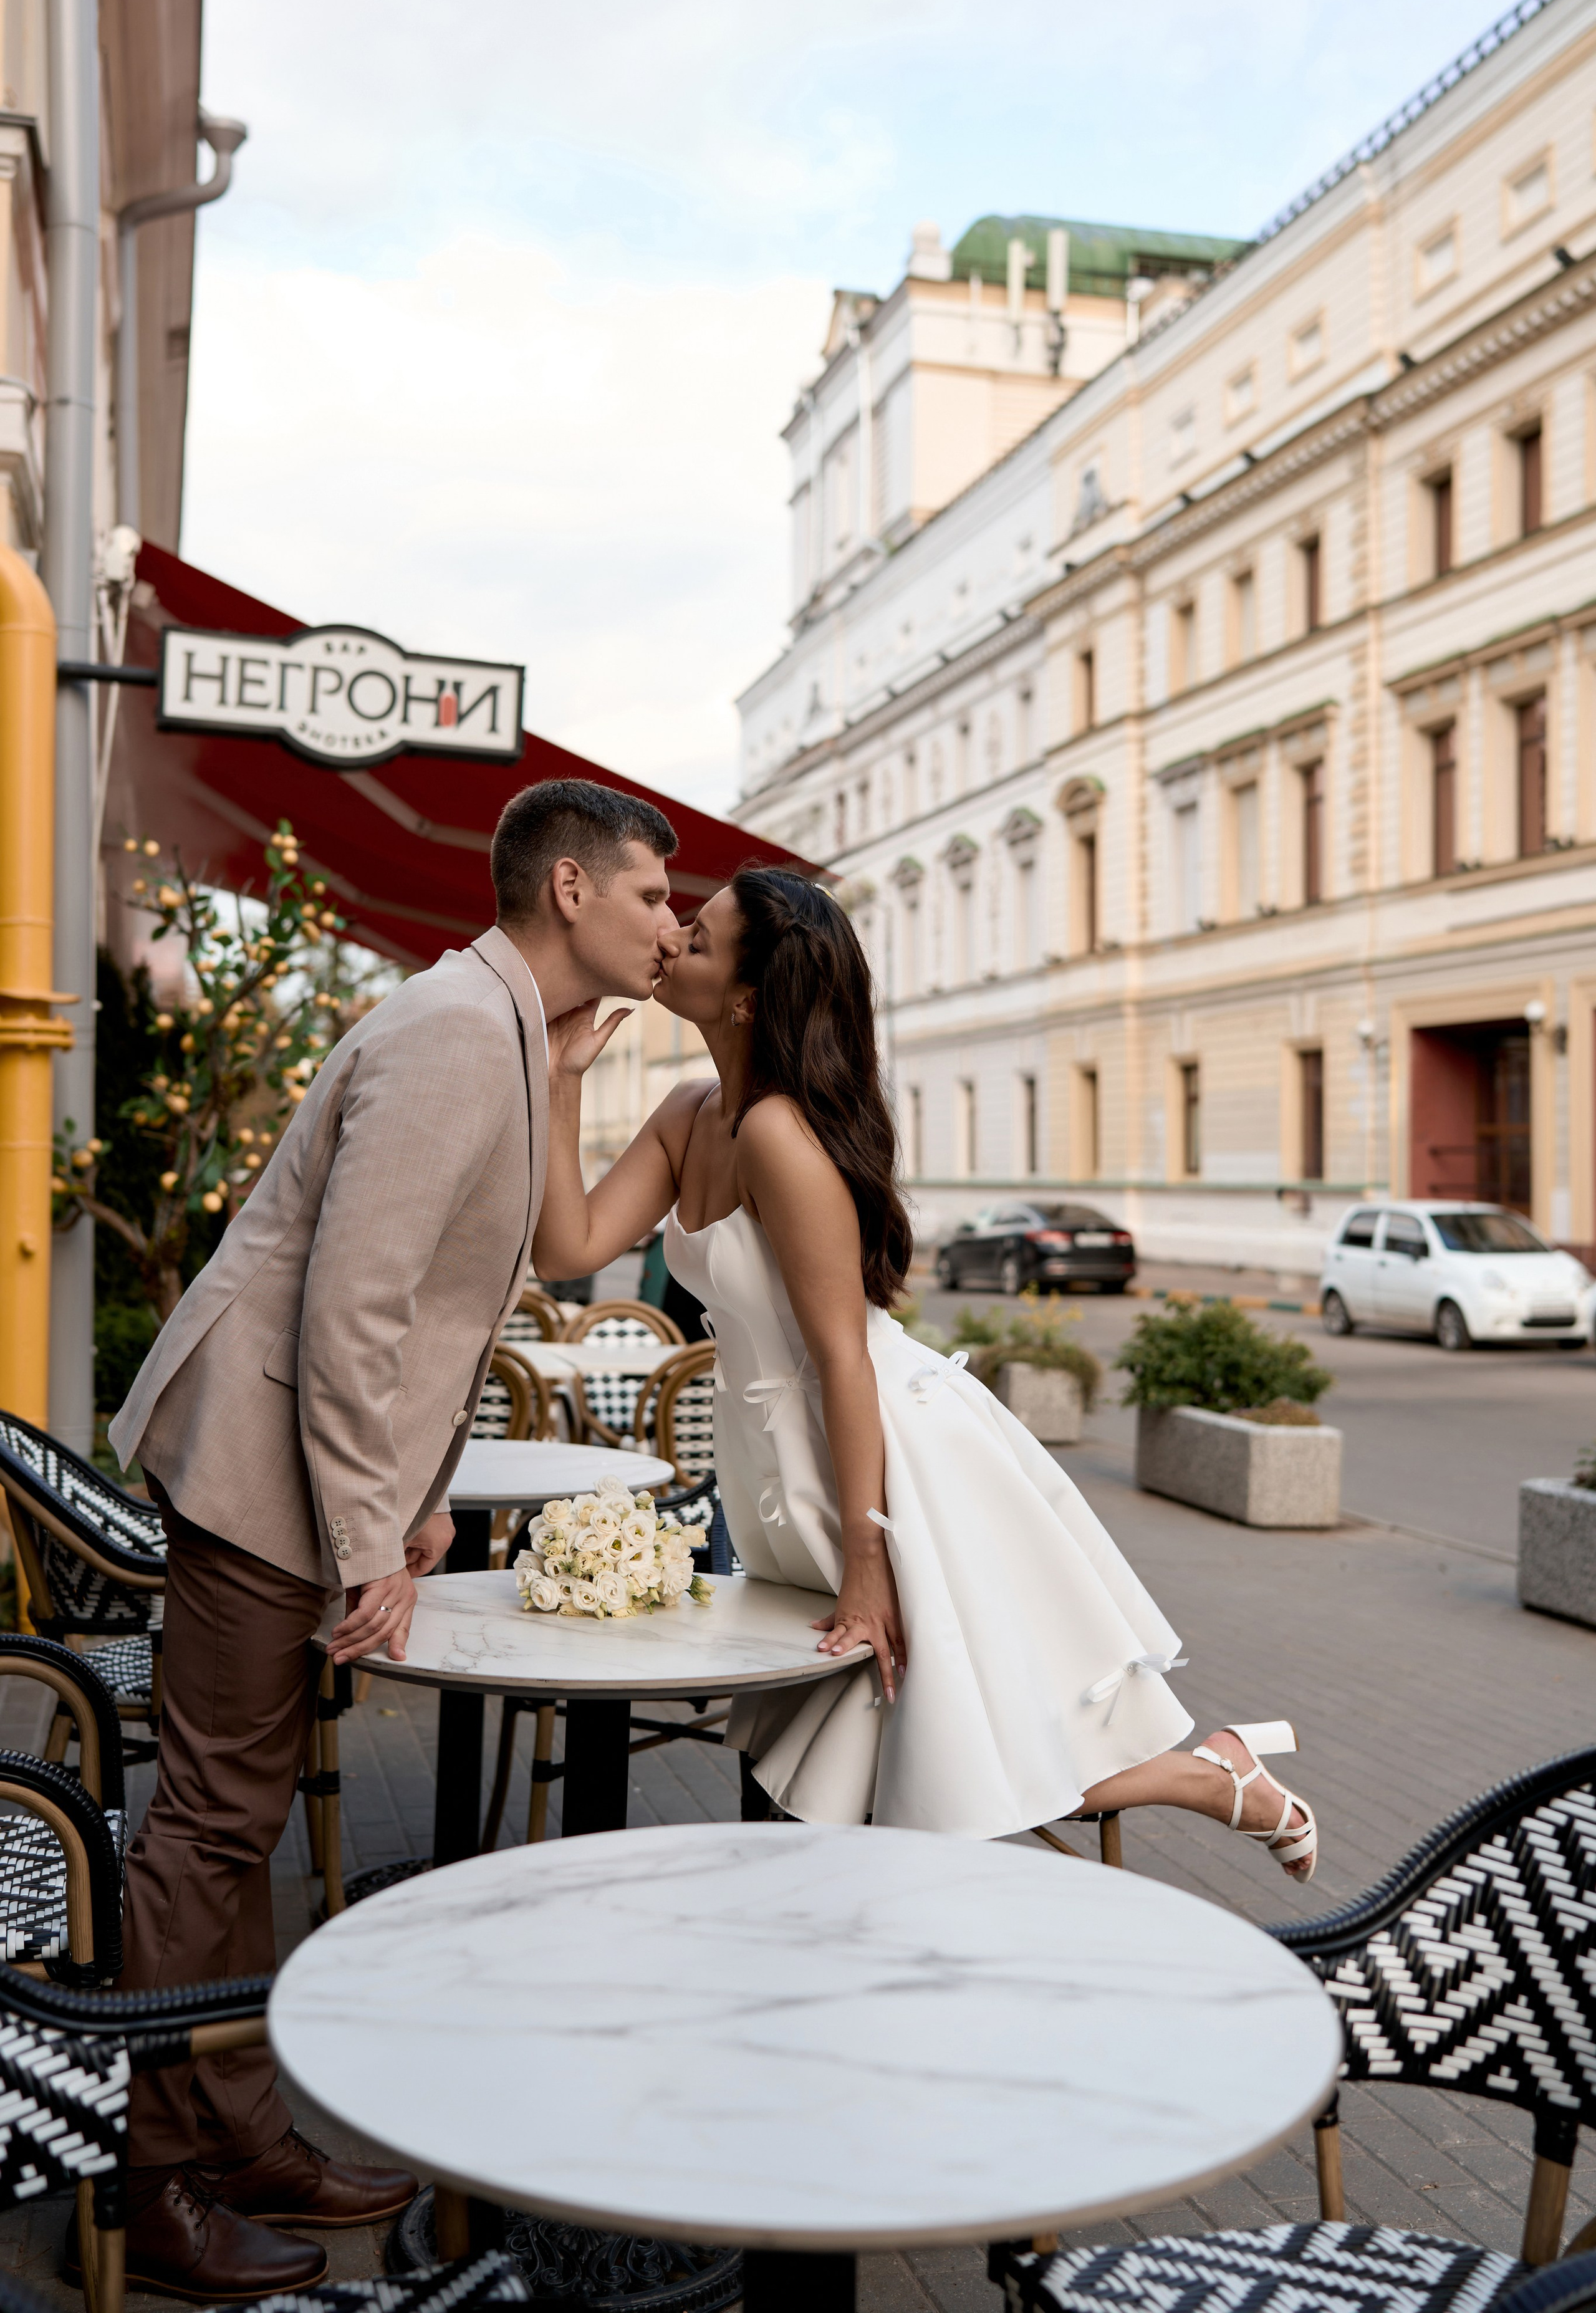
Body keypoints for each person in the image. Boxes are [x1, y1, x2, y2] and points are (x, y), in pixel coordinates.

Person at [105, 779, 679, 2304]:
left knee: (232, 1830)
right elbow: (352, 1306)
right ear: (568, 889)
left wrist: (405, 1501)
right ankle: (152, 2186)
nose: (669, 924)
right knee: (207, 1834)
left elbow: (423, 1307)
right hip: (255, 1474)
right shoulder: (445, 1034)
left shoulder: (491, 1026)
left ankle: (235, 2133)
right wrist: (372, 1541)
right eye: (649, 896)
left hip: (290, 1465)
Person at [531, 865, 1317, 1868]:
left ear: (747, 996)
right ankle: (1215, 1773)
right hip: (781, 1462)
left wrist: (871, 1559)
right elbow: (568, 1250)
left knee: (942, 1742)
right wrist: (561, 1083)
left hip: (883, 1457)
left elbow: (844, 1361)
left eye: (703, 935)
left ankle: (1211, 1780)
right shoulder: (691, 1111)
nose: (674, 937)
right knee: (925, 1738)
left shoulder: (777, 1133)